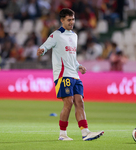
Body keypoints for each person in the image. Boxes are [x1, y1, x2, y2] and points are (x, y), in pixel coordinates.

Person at [37, 8, 104, 141]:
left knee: (80, 102)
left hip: (74, 74)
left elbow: (72, 57)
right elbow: (45, 46)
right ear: (62, 20)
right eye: (69, 20)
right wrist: (42, 50)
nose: (72, 22)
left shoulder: (74, 35)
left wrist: (79, 66)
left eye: (73, 19)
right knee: (68, 102)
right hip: (63, 75)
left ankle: (85, 132)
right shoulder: (56, 35)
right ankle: (62, 134)